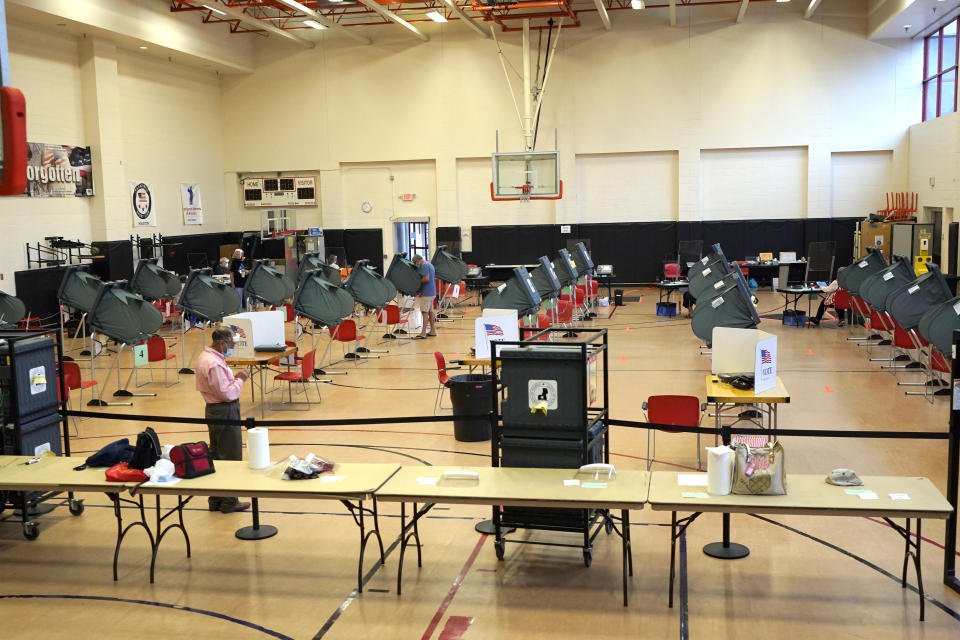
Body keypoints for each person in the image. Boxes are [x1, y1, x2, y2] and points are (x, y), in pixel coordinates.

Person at [196, 327, 250, 513]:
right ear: (222, 343)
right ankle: (229, 501)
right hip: (225, 411)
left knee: (217, 455)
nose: (232, 347)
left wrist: (231, 380)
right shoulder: (215, 364)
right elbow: (227, 393)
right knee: (231, 457)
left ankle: (216, 499)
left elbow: (219, 386)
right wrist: (241, 379)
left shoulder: (205, 357)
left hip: (213, 410)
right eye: (231, 344)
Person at [413, 254, 437, 339]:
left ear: (419, 260)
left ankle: (423, 332)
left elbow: (426, 278)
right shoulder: (429, 264)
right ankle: (433, 331)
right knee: (430, 312)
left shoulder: (424, 266)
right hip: (432, 292)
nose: (416, 264)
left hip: (426, 293)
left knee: (424, 312)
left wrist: (416, 282)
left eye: (416, 262)